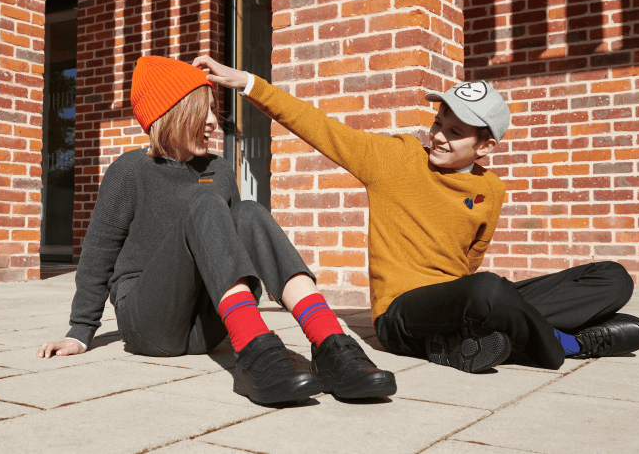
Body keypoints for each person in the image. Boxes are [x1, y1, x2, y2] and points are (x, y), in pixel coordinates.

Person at [193, 55, 639, 374]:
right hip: (402, 315)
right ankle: (569, 344)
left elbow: (470, 259)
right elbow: (319, 126)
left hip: (461, 298)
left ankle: (473, 339)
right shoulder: (394, 159)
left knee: (612, 277)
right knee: (489, 290)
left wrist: (475, 300)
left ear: (486, 146)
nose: (438, 137)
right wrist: (248, 83)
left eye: (455, 132)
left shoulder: (490, 190)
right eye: (438, 123)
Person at [37, 56, 397, 403]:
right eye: (202, 110)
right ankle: (254, 352)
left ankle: (331, 344)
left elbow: (228, 251)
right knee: (206, 201)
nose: (213, 121)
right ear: (171, 114)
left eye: (213, 109)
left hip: (207, 328)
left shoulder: (220, 169)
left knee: (249, 213)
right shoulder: (130, 170)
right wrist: (80, 332)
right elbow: (99, 252)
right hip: (149, 320)